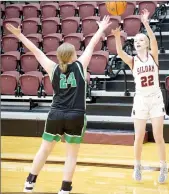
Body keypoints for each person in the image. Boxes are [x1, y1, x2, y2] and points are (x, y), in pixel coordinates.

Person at [6, 16, 111, 194]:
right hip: (75, 115)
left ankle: (30, 182)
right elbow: (92, 45)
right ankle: (64, 189)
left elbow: (36, 51)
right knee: (71, 155)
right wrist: (100, 29)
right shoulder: (80, 66)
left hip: (56, 114)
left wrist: (19, 35)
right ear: (73, 55)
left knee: (44, 150)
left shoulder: (53, 68)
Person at [112, 9, 168, 184]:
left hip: (156, 98)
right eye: (136, 41)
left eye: (141, 40)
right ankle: (137, 166)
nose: (138, 42)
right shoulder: (133, 61)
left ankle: (164, 166)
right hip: (141, 100)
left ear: (146, 43)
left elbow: (153, 40)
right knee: (138, 137)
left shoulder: (153, 55)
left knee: (158, 136)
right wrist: (116, 37)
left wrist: (145, 24)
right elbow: (120, 53)